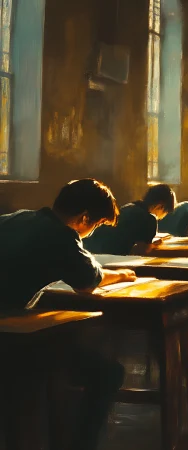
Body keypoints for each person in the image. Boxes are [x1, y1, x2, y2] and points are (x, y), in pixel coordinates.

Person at [0, 179, 133, 449]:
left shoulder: (15, 218)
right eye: (95, 225)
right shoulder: (62, 235)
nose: (92, 231)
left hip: (8, 329)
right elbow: (87, 282)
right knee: (107, 373)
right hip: (8, 342)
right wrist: (121, 274)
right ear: (84, 217)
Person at [84, 184, 176, 255]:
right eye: (166, 212)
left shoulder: (128, 207)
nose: (164, 216)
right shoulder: (150, 219)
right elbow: (141, 250)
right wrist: (154, 245)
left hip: (93, 250)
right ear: (160, 206)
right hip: (114, 257)